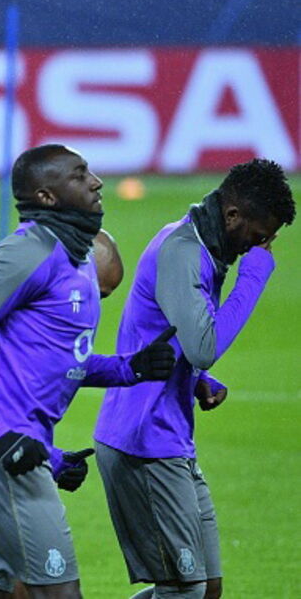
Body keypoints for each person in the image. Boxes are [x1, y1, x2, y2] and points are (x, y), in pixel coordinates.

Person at [0, 144, 178, 599]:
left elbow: (55, 359)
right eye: (80, 175)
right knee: (58, 592)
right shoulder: (30, 251)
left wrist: (127, 369)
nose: (97, 181)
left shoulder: (76, 259)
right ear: (45, 197)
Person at [93, 159, 295, 599]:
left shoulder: (206, 247)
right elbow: (204, 341)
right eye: (259, 236)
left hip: (168, 435)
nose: (260, 248)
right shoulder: (183, 250)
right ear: (233, 215)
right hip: (141, 441)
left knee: (206, 588)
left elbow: (175, 335)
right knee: (184, 589)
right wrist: (255, 276)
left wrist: (197, 375)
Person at [0, 229, 124, 599]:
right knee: (16, 588)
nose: (92, 299)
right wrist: (53, 459)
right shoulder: (9, 305)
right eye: (98, 290)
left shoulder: (20, 312)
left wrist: (127, 369)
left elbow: (58, 363)